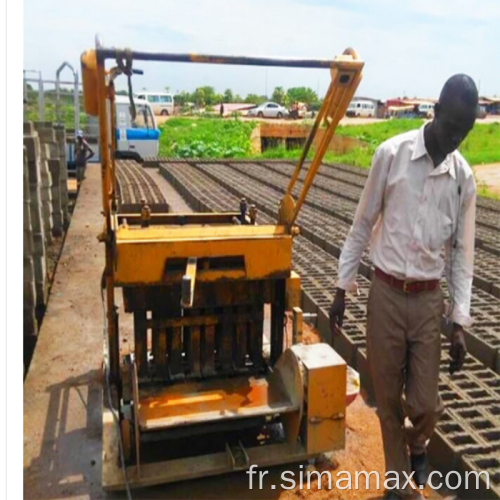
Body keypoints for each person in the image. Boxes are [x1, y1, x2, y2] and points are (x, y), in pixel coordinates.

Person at [329, 74, 478, 500]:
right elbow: (362, 224)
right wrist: (342, 287)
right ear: (435, 113)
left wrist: (459, 322)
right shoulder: (390, 155)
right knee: (387, 398)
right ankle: (397, 482)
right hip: (387, 293)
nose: (456, 139)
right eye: (452, 128)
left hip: (429, 301)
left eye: (465, 132)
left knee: (426, 405)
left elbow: (462, 256)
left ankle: (418, 446)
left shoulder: (462, 180)